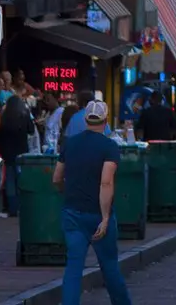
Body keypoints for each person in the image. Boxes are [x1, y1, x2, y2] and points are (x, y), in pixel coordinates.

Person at [52, 99, 133, 305]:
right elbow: (106, 182)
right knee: (109, 266)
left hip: (72, 212)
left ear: (86, 119)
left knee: (73, 268)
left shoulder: (70, 143)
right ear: (105, 121)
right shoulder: (109, 146)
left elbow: (56, 177)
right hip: (97, 214)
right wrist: (105, 217)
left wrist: (65, 192)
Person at [0, 78, 35, 217]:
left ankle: (12, 207)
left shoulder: (3, 118)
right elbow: (31, 130)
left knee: (10, 181)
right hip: (21, 153)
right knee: (21, 180)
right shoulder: (24, 116)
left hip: (7, 154)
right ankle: (22, 206)